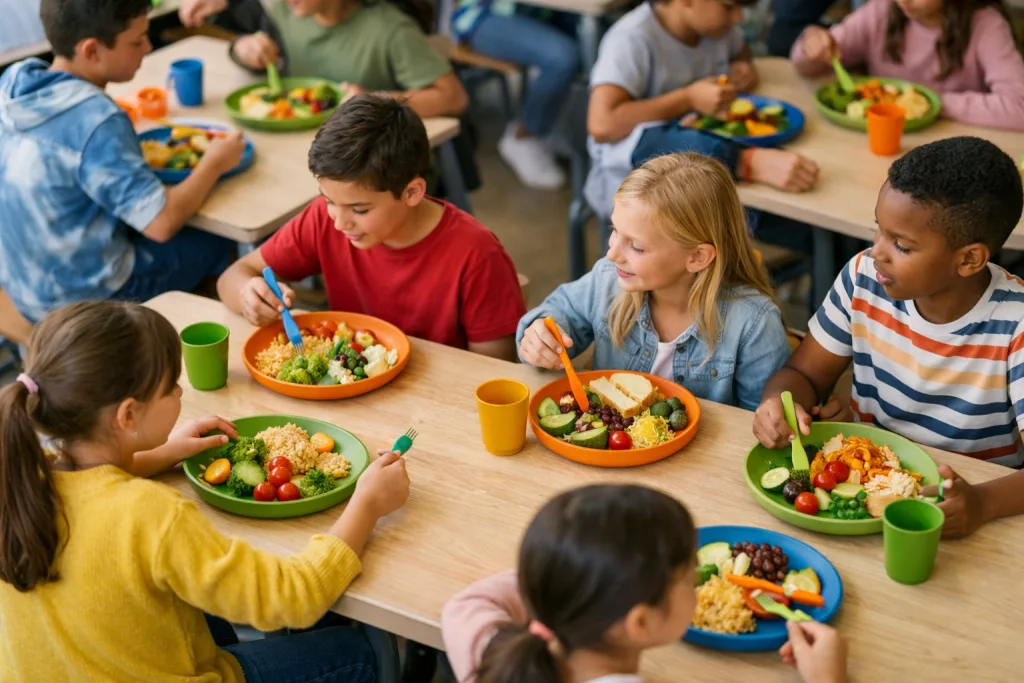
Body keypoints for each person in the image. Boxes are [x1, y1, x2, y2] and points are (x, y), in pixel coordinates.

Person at [0, 301, 411, 681]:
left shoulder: (18, 476)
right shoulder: (152, 514)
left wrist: (160, 453)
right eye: (171, 386)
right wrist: (367, 504)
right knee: (361, 649)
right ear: (127, 415)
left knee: (209, 621)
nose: (181, 392)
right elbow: (291, 596)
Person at [752, 136, 1024, 538]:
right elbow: (804, 375)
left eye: (901, 245)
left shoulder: (1015, 325)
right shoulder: (865, 277)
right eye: (879, 231)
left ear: (968, 259)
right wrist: (779, 403)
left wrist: (982, 503)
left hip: (964, 508)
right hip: (862, 491)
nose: (877, 251)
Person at [218, 95, 525, 361]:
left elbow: (491, 372)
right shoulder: (323, 220)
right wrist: (250, 295)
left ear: (412, 193)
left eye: (360, 209)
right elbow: (233, 276)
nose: (339, 221)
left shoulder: (477, 254)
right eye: (328, 201)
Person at [440, 483, 850, 683]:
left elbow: (464, 607)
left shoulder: (490, 659)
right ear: (639, 623)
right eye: (689, 581)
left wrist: (569, 576)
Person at [0, 0, 245, 324]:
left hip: (22, 286)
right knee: (225, 241)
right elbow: (162, 222)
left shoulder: (14, 81)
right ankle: (177, 344)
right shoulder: (98, 120)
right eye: (136, 40)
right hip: (85, 304)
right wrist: (214, 162)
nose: (148, 46)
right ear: (91, 51)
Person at [517, 153, 789, 411]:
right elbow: (559, 312)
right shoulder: (607, 280)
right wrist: (539, 335)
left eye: (636, 246)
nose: (611, 253)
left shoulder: (754, 325)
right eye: (614, 231)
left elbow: (759, 424)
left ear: (697, 257)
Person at [584, 0, 820, 253]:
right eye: (729, 7)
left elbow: (740, 50)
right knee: (806, 230)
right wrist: (687, 98)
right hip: (640, 185)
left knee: (812, 223)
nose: (739, 17)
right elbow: (602, 123)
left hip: (709, 167)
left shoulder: (716, 28)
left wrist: (743, 66)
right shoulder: (631, 39)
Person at [193, 0, 467, 119]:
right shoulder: (284, 13)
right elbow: (251, 52)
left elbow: (454, 98)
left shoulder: (390, 31)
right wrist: (243, 48)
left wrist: (376, 101)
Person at [791, 0, 1024, 130]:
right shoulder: (882, 9)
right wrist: (811, 45)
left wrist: (929, 102)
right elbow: (806, 67)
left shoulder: (987, 25)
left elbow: (1019, 107)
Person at [450, 1, 580, 189]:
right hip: (484, 14)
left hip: (544, 13)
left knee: (595, 40)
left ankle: (551, 126)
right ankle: (524, 136)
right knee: (562, 57)